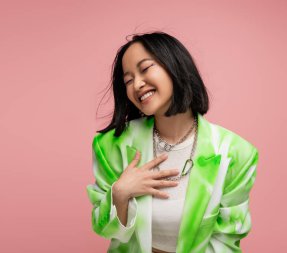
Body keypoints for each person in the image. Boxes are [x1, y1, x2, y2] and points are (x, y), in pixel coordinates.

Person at [86, 31, 259, 253]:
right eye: (128, 80)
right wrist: (120, 193)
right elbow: (107, 230)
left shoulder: (236, 153)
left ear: (175, 66)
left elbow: (227, 239)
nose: (137, 84)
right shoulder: (111, 146)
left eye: (146, 68)